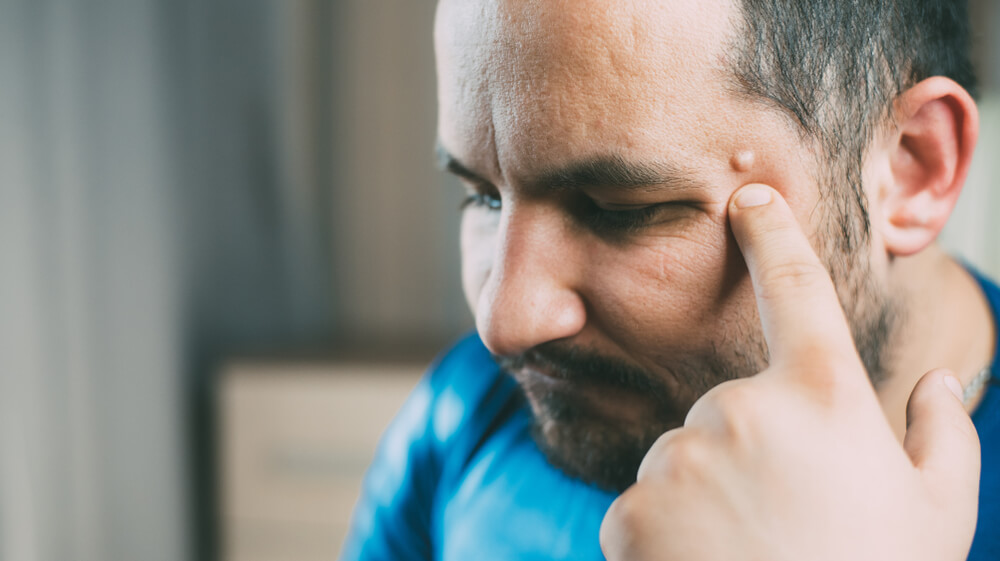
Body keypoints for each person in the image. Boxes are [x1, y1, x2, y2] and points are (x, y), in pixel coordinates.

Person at [341, 0, 1000, 559]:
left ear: (914, 168)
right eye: (483, 196)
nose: (502, 321)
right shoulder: (468, 408)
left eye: (621, 211)